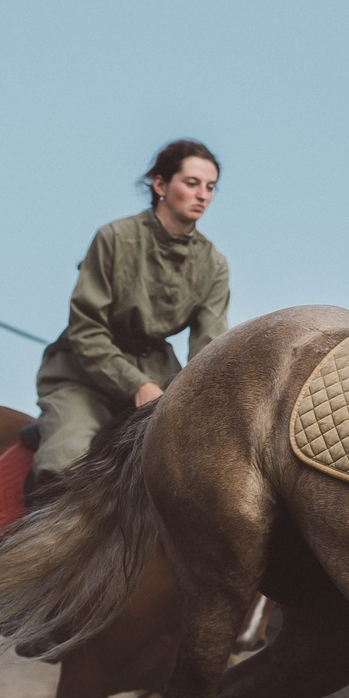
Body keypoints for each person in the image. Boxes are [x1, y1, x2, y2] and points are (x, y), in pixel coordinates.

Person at [30, 141, 229, 490]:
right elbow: (86, 328)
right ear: (160, 184)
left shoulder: (214, 265)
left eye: (210, 187)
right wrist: (135, 384)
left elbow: (208, 350)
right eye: (192, 183)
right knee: (63, 464)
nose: (203, 195)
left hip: (161, 380)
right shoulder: (114, 238)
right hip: (82, 374)